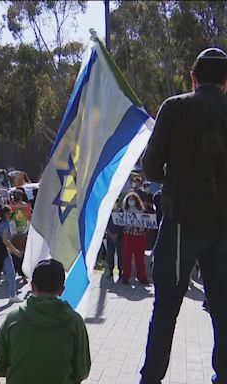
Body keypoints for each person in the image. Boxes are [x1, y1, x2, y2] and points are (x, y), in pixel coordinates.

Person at [140, 48, 227, 384]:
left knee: (165, 312)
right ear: (225, 82)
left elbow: (150, 167)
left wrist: (174, 176)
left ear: (193, 78)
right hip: (222, 231)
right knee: (222, 312)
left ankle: (151, 379)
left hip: (179, 229)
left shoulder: (174, 107)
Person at [0, 259, 91, 384]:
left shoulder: (13, 318)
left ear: (32, 286)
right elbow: (82, 371)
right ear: (62, 290)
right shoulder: (75, 322)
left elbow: (0, 368)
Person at [121, 192, 149, 285]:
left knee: (140, 258)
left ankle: (142, 277)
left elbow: (146, 223)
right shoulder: (124, 211)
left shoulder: (141, 210)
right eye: (129, 199)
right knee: (127, 258)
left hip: (139, 237)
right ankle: (125, 277)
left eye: (133, 199)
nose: (131, 201)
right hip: (128, 236)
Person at [106, 200, 123, 280]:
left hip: (120, 237)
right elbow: (105, 225)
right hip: (110, 237)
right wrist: (111, 235)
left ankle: (120, 271)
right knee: (110, 255)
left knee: (120, 255)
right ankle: (110, 271)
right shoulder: (108, 212)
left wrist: (118, 234)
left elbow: (123, 224)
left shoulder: (121, 212)